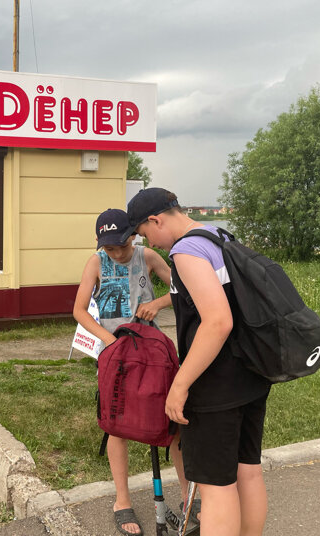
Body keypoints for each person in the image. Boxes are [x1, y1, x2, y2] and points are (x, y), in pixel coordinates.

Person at [125, 188, 271, 536]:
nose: (151, 243)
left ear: (156, 220)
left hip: (215, 384)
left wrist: (180, 385)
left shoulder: (186, 251)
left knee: (216, 488)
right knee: (248, 472)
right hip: (251, 374)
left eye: (145, 234)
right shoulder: (219, 237)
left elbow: (218, 322)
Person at [73, 208, 189, 536]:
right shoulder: (96, 263)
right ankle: (121, 500)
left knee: (172, 420)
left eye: (122, 246)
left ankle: (188, 496)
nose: (116, 253)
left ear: (133, 236)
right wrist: (110, 341)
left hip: (151, 354)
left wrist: (158, 303)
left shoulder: (147, 256)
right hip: (115, 357)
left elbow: (183, 287)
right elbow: (79, 310)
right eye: (109, 248)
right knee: (117, 425)